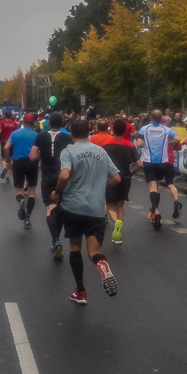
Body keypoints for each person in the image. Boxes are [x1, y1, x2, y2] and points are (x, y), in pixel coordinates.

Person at [51, 120, 122, 304]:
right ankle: (102, 263)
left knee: (75, 247)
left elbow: (65, 175)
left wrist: (58, 192)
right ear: (88, 133)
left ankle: (80, 291)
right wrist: (100, 186)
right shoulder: (101, 151)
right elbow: (116, 177)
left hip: (73, 206)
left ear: (72, 135)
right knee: (94, 252)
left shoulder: (69, 151)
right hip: (97, 209)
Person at [29, 111, 72, 258]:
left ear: (48, 123)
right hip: (62, 175)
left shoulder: (40, 136)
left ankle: (55, 239)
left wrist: (43, 156)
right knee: (61, 207)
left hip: (47, 175)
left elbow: (33, 156)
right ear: (62, 123)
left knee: (50, 207)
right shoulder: (67, 137)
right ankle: (56, 238)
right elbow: (70, 154)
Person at [136, 110, 182, 230]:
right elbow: (178, 138)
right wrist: (167, 144)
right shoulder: (166, 129)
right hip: (162, 162)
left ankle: (155, 209)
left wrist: (143, 144)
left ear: (150, 117)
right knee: (157, 186)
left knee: (152, 187)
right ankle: (154, 209)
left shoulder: (144, 129)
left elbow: (139, 143)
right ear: (161, 117)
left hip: (149, 161)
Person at [102, 119, 142, 245]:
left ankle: (116, 223)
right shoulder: (130, 145)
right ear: (125, 130)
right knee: (120, 206)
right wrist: (131, 173)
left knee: (110, 207)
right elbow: (139, 164)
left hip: (111, 178)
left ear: (112, 130)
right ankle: (118, 233)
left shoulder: (106, 144)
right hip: (125, 178)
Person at [5, 114, 39, 229]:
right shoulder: (36, 136)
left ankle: (21, 200)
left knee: (19, 191)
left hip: (18, 163)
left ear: (23, 123)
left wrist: (8, 160)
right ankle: (28, 218)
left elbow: (6, 147)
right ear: (33, 124)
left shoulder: (15, 134)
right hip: (32, 163)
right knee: (32, 193)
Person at [0, 111, 20, 183]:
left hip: (4, 142)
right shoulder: (15, 123)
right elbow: (18, 133)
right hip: (12, 143)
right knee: (10, 159)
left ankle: (5, 167)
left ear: (5, 115)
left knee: (4, 158)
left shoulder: (2, 122)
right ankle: (7, 177)